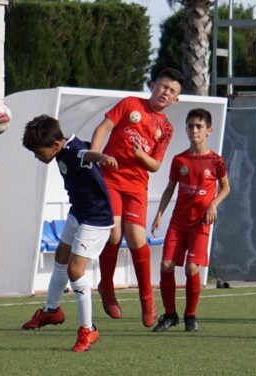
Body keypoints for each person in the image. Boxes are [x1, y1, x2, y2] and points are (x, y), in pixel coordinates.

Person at [91, 68, 184, 327]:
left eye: (172, 91)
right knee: (113, 234)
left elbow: (154, 165)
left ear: (176, 99)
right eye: (163, 87)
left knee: (137, 237)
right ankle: (106, 287)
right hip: (110, 178)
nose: (166, 93)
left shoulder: (165, 128)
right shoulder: (131, 104)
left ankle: (147, 299)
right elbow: (104, 127)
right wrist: (94, 156)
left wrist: (141, 156)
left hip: (136, 186)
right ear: (153, 85)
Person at [20, 115, 118, 352]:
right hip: (79, 212)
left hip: (95, 218)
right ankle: (52, 311)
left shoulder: (73, 151)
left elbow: (87, 155)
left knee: (75, 271)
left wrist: (103, 157)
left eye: (37, 152)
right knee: (61, 257)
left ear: (54, 146)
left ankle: (88, 329)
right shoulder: (61, 147)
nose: (36, 156)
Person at [150, 108, 230, 332]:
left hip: (200, 224)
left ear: (208, 131)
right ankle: (169, 315)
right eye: (190, 126)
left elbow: (226, 187)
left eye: (199, 127)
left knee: (191, 269)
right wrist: (159, 214)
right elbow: (169, 189)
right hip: (178, 222)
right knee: (166, 265)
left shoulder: (216, 161)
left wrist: (213, 203)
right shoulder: (179, 160)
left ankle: (190, 315)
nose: (194, 130)